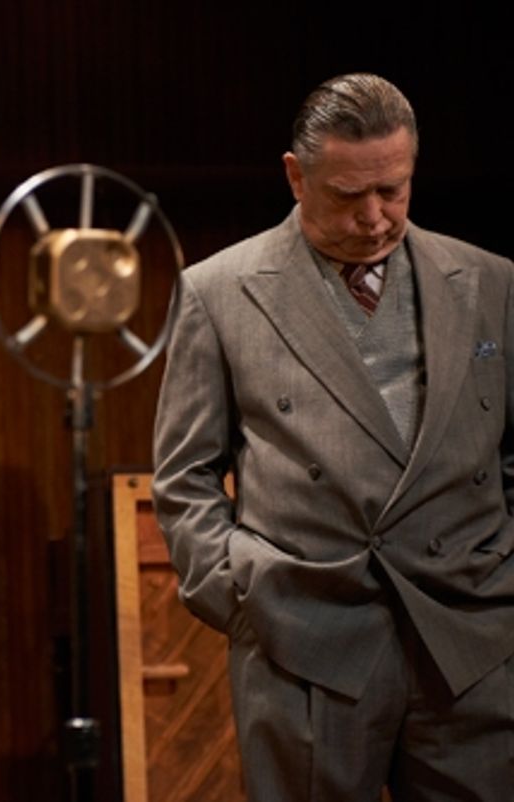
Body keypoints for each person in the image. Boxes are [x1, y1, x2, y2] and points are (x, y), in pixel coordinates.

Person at [152, 73, 514, 801]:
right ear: (296, 175)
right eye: (350, 196)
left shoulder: (489, 280)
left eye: (395, 190)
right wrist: (245, 595)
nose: (376, 217)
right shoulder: (220, 292)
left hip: (468, 637)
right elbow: (184, 477)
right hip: (304, 640)